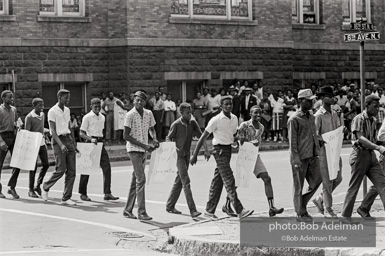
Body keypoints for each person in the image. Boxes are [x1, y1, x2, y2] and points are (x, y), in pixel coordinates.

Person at [190, 95, 254, 220]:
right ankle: (239, 209)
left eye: (230, 104)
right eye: (226, 104)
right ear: (221, 106)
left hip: (228, 150)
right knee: (229, 180)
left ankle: (209, 211)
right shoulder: (216, 119)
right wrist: (195, 155)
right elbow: (203, 136)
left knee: (217, 181)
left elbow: (233, 134)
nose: (229, 106)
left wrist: (238, 139)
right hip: (218, 150)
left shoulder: (235, 118)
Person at [223, 106, 284, 217]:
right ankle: (226, 205)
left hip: (255, 156)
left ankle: (271, 207)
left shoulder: (261, 127)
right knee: (238, 183)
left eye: (260, 113)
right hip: (245, 156)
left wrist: (255, 144)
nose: (258, 115)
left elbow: (258, 142)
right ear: (250, 113)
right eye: (255, 113)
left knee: (267, 178)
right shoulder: (244, 125)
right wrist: (250, 141)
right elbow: (239, 141)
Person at [341, 95, 385, 223]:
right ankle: (345, 216)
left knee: (382, 183)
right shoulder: (359, 119)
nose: (377, 109)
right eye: (375, 107)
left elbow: (373, 139)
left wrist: (379, 145)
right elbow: (360, 138)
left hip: (371, 155)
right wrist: (378, 147)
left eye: (378, 107)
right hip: (359, 155)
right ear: (367, 105)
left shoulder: (373, 120)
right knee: (354, 186)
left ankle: (363, 209)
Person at [165, 103, 210, 218]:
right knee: (186, 181)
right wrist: (172, 146)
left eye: (191, 113)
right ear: (181, 113)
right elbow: (168, 138)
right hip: (179, 156)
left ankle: (170, 205)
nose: (190, 115)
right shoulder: (176, 125)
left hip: (186, 155)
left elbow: (202, 136)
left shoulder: (192, 123)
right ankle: (193, 210)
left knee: (179, 181)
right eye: (187, 113)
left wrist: (206, 149)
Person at [123, 91, 158, 221]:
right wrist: (145, 146)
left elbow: (152, 128)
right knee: (141, 179)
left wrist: (154, 139)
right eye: (137, 100)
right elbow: (125, 136)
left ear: (145, 102)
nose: (139, 102)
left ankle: (127, 210)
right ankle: (141, 212)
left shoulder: (149, 114)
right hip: (133, 150)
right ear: (134, 101)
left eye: (141, 100)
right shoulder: (130, 115)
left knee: (136, 180)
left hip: (144, 150)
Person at [288, 89, 323, 222]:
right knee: (298, 185)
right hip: (300, 157)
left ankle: (301, 202)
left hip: (313, 156)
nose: (312, 102)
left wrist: (319, 142)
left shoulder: (311, 117)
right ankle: (300, 213)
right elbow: (292, 142)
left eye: (312, 100)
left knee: (318, 179)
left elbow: (313, 134)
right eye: (308, 100)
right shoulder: (294, 119)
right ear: (300, 101)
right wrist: (295, 159)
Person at [78, 98, 119, 202]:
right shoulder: (87, 117)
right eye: (95, 107)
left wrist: (100, 140)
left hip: (100, 143)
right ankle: (83, 193)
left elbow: (101, 131)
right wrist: (90, 139)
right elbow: (81, 133)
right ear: (91, 106)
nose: (97, 108)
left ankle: (107, 193)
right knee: (87, 168)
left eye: (98, 106)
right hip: (90, 142)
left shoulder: (102, 117)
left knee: (107, 167)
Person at [42, 89, 78, 206]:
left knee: (72, 171)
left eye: (68, 98)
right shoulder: (52, 111)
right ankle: (46, 186)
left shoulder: (67, 110)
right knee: (61, 169)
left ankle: (66, 197)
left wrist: (73, 143)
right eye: (65, 98)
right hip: (58, 140)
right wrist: (61, 144)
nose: (68, 100)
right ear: (59, 97)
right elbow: (52, 130)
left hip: (68, 139)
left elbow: (69, 127)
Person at [312, 86, 343, 218]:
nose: (332, 98)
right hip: (324, 152)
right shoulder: (318, 115)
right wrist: (322, 140)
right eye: (329, 96)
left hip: (335, 149)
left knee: (338, 178)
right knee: (327, 181)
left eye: (333, 96)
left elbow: (338, 128)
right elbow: (315, 134)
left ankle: (320, 198)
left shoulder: (335, 114)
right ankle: (329, 209)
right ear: (323, 98)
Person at [24, 98, 50, 198]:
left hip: (42, 142)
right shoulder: (29, 117)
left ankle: (38, 185)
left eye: (43, 105)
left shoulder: (42, 115)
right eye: (39, 105)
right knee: (33, 167)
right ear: (34, 106)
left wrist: (45, 132)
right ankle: (30, 189)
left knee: (46, 164)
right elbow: (27, 133)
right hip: (32, 144)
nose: (42, 107)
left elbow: (41, 128)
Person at [0, 90, 20, 199]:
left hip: (13, 136)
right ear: (3, 98)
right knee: (0, 165)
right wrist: (1, 142)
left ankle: (12, 187)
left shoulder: (14, 110)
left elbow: (17, 122)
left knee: (17, 163)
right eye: (9, 97)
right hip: (2, 136)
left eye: (12, 97)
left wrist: (19, 128)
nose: (11, 99)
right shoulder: (0, 110)